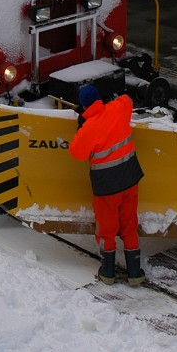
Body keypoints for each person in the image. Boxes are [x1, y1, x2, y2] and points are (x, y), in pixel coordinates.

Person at [69, 85, 146, 286]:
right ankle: (135, 272)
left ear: (83, 106)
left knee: (107, 229)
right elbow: (128, 100)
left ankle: (108, 272)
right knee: (129, 224)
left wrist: (81, 125)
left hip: (107, 187)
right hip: (130, 178)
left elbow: (76, 153)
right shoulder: (117, 108)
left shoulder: (89, 127)